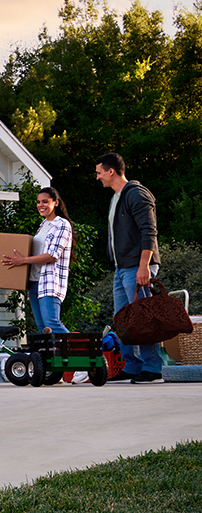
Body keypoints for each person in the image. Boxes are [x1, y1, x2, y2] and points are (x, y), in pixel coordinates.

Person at [0, 187, 85, 382]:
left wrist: (23, 261)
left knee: (52, 323)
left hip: (50, 282)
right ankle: (53, 371)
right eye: (38, 202)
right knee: (43, 330)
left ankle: (83, 361)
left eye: (45, 201)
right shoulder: (43, 225)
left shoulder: (61, 224)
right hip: (34, 282)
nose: (41, 205)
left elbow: (52, 255)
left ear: (56, 202)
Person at [95, 152, 163, 383]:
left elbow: (149, 231)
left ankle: (153, 368)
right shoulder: (116, 197)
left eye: (99, 173)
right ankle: (132, 367)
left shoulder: (136, 194)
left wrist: (144, 267)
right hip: (121, 267)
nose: (98, 177)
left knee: (142, 319)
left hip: (137, 266)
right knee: (123, 320)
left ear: (111, 171)